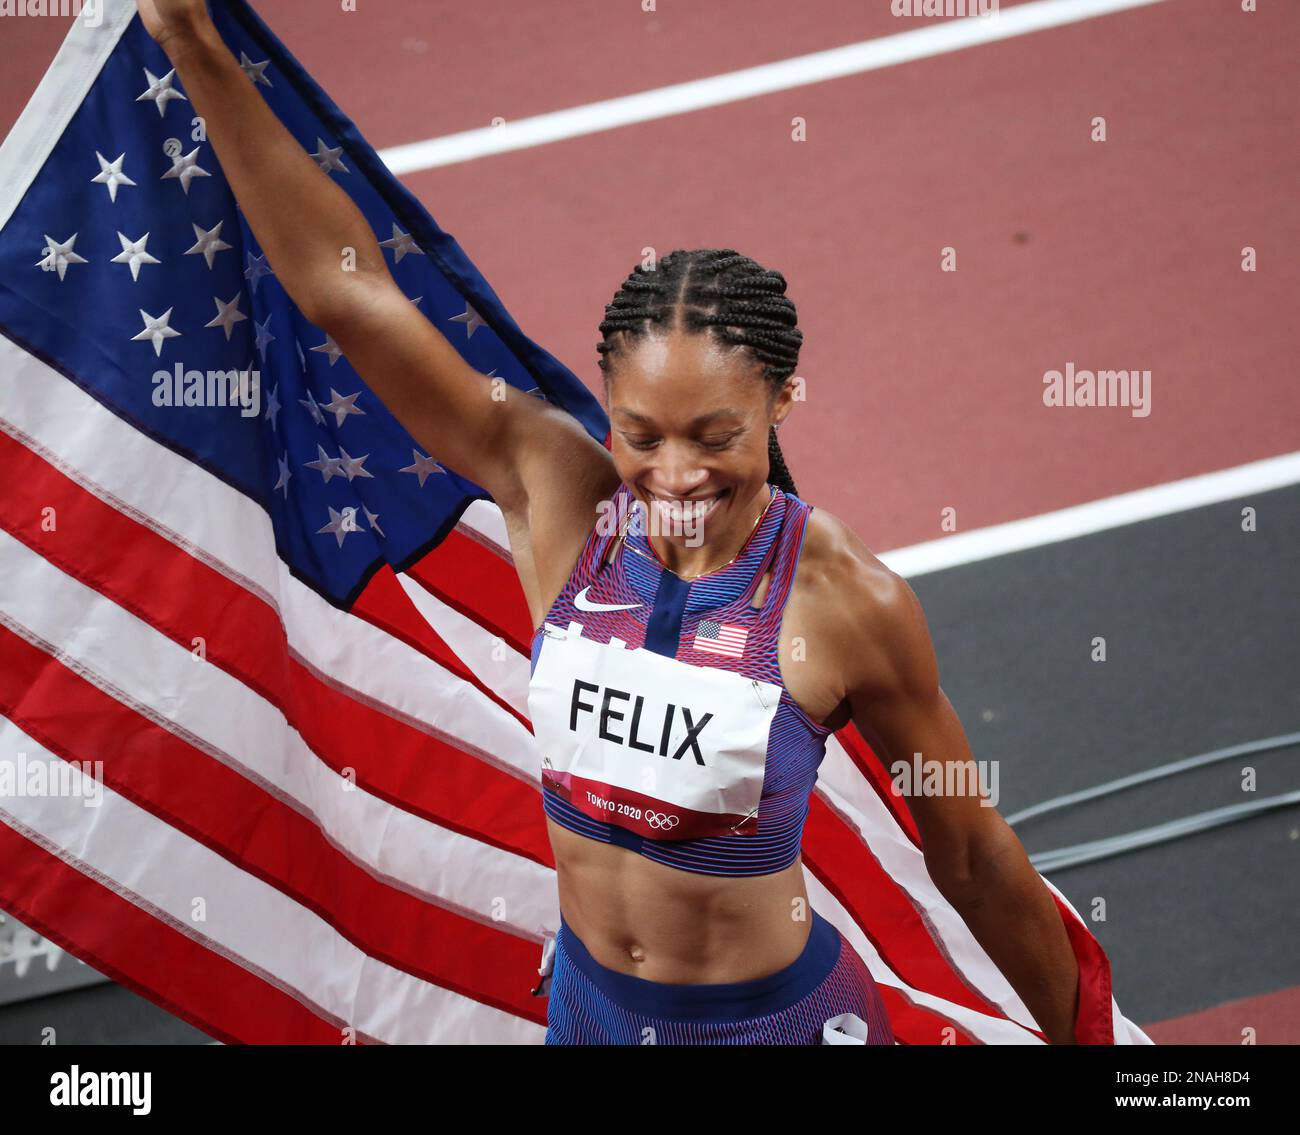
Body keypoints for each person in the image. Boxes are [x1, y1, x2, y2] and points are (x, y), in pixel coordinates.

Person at [139, 0, 1084, 1046]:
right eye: (640, 432)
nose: (672, 474)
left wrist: (1077, 1039)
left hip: (769, 1026)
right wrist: (188, 38)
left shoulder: (846, 599)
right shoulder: (552, 483)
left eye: (713, 435)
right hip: (590, 1010)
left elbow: (973, 856)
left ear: (779, 404)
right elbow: (345, 295)